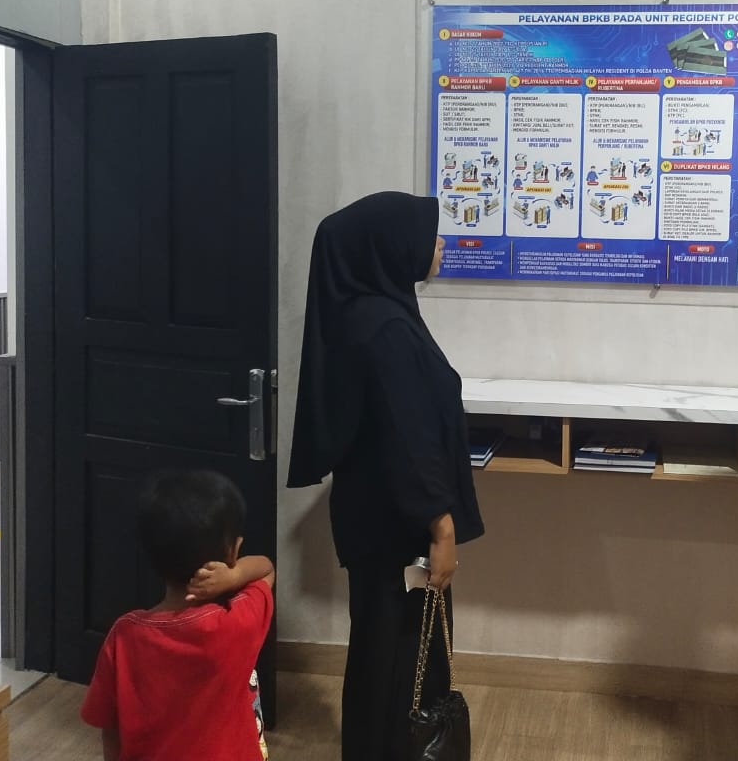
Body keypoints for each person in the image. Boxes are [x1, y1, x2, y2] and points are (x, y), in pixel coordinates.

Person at [287, 191, 484, 761]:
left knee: (386, 649)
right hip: (400, 527)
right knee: (397, 653)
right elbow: (407, 439)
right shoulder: (385, 329)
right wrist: (441, 528)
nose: (438, 243)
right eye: (425, 234)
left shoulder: (372, 315)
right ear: (389, 248)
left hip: (376, 519)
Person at [81, 469, 275, 761]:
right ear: (233, 551)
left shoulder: (124, 635)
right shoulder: (237, 623)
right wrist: (234, 576)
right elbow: (266, 569)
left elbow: (110, 728)